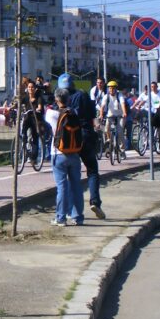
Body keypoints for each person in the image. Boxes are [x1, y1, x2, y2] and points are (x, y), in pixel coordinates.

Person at [60, 72, 105, 219]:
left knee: (70, 176)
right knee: (92, 171)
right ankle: (95, 201)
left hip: (70, 140)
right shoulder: (83, 95)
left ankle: (69, 210)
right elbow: (93, 117)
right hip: (86, 136)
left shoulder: (62, 99)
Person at [46, 88, 84, 226]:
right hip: (74, 153)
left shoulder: (51, 114)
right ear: (68, 99)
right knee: (76, 186)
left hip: (58, 154)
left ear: (56, 99)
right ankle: (78, 217)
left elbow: (46, 121)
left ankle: (61, 218)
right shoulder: (74, 112)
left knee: (61, 187)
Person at [98, 80, 127, 159]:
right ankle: (110, 140)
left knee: (120, 132)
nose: (111, 90)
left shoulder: (119, 95)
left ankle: (122, 151)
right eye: (110, 88)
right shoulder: (106, 96)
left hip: (120, 115)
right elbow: (102, 107)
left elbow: (122, 104)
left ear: (116, 89)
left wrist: (124, 112)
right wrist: (101, 115)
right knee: (106, 129)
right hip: (110, 115)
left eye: (113, 88)